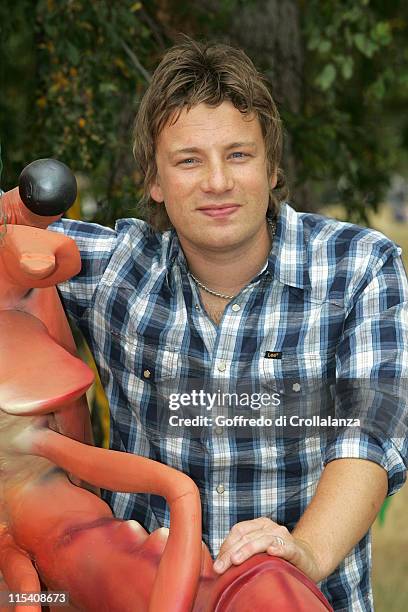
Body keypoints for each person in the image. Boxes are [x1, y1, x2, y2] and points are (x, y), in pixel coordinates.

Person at [4, 37, 408, 611]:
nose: (216, 182)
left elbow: (372, 434)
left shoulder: (359, 268)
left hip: (308, 598)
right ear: (155, 181)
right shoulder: (113, 270)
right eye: (189, 160)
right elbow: (11, 238)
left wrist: (308, 552)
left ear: (271, 167)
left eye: (238, 155)